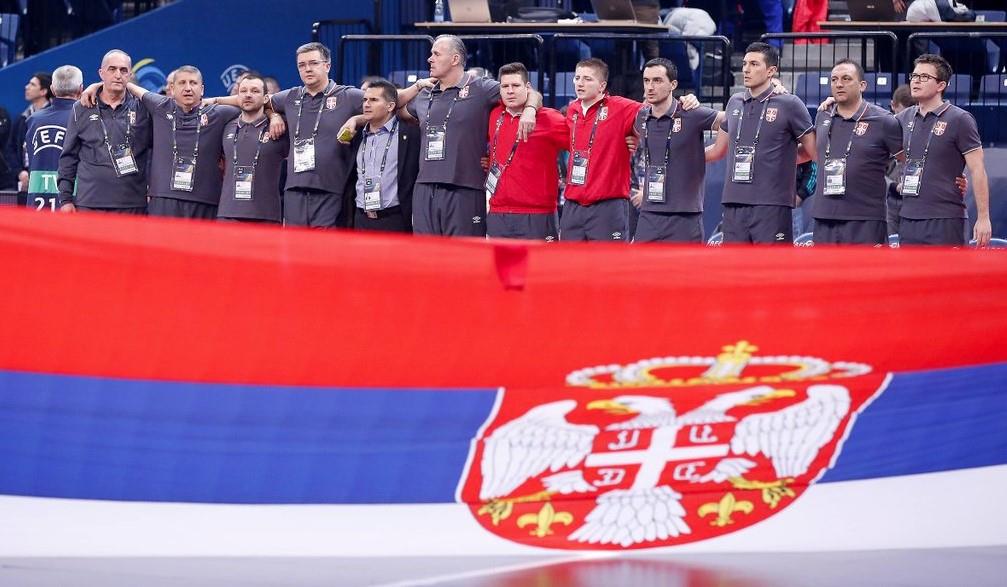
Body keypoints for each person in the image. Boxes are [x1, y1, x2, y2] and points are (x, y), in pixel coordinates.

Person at [401, 35, 540, 237]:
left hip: (464, 188)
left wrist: (529, 111)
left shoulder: (482, 88)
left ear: (455, 59)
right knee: (426, 258)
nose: (429, 59)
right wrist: (417, 86)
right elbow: (390, 103)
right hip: (424, 187)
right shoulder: (425, 94)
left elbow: (531, 93)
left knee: (464, 260)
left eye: (436, 54)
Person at [85, 66, 241, 219]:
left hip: (204, 202)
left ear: (202, 89)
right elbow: (126, 84)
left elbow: (256, 101)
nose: (187, 88)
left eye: (193, 83)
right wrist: (97, 87)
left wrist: (216, 100)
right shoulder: (161, 106)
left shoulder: (220, 113)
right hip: (163, 200)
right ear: (172, 88)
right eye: (182, 83)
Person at [707, 42, 816, 244]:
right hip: (734, 203)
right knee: (733, 270)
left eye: (755, 64)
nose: (746, 69)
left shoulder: (790, 104)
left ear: (771, 71)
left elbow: (814, 151)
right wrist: (683, 155)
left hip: (772, 205)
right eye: (745, 63)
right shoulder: (734, 102)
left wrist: (785, 156)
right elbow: (717, 150)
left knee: (772, 270)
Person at [896, 53, 991, 246]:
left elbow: (977, 169)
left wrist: (983, 217)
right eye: (914, 76)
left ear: (941, 85)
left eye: (924, 77)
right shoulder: (902, 118)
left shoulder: (960, 119)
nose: (916, 81)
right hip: (908, 219)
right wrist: (834, 106)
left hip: (945, 219)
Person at [267, 42, 364, 228]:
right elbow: (256, 102)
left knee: (323, 251)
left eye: (313, 63)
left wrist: (356, 120)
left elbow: (388, 101)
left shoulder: (348, 96)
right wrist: (274, 115)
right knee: (296, 248)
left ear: (327, 66)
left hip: (330, 189)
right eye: (302, 65)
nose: (307, 69)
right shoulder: (291, 96)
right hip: (294, 189)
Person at [809, 59, 904, 245]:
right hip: (824, 216)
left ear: (862, 85)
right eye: (834, 79)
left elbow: (907, 159)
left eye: (846, 79)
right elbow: (810, 153)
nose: (839, 84)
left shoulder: (883, 120)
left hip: (865, 220)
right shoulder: (823, 114)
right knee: (825, 275)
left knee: (866, 275)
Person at [631, 58, 721, 243]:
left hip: (685, 217)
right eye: (646, 80)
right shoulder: (640, 116)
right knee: (642, 271)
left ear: (673, 84)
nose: (650, 87)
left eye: (657, 80)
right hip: (649, 214)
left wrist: (716, 151)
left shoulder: (691, 113)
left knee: (685, 272)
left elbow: (734, 120)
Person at [58, 50, 153, 214]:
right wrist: (65, 199)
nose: (118, 75)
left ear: (130, 75)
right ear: (101, 73)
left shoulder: (144, 107)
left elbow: (153, 153)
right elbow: (69, 156)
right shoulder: (82, 107)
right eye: (112, 69)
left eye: (123, 70)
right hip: (90, 202)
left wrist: (152, 189)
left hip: (133, 204)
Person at [485, 62, 568, 241]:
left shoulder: (550, 119)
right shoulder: (493, 115)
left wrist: (627, 139)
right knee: (499, 269)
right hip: (498, 214)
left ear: (527, 88)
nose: (510, 91)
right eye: (505, 86)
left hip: (538, 215)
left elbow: (582, 144)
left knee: (540, 269)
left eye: (515, 85)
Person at [561, 58, 641, 242]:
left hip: (608, 206)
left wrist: (637, 135)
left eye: (588, 79)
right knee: (568, 267)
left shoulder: (621, 107)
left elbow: (654, 113)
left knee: (609, 268)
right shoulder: (571, 110)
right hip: (573, 207)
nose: (580, 83)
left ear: (602, 85)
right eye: (577, 77)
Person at [217, 74, 289, 224]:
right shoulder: (226, 126)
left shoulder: (279, 127)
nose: (248, 95)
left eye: (255, 91)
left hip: (266, 217)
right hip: (227, 215)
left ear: (265, 98)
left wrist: (274, 115)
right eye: (243, 91)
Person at [352, 78, 420, 233]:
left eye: (374, 100)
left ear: (390, 106)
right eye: (365, 100)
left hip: (394, 220)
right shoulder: (355, 135)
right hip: (361, 219)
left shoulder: (410, 135)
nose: (366, 104)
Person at [25, 65, 82, 212]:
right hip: (74, 203)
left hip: (36, 204)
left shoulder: (33, 120)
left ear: (52, 89)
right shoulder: (85, 118)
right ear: (81, 89)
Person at [13, 72, 52, 198]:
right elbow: (12, 148)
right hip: (24, 180)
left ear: (43, 91)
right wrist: (20, 172)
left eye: (32, 84)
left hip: (49, 182)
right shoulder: (22, 118)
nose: (26, 87)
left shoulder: (53, 117)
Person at [887, 85, 915, 236]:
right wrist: (893, 185)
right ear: (893, 105)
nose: (906, 117)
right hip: (890, 200)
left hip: (916, 200)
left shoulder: (920, 131)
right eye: (903, 112)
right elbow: (873, 169)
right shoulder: (884, 130)